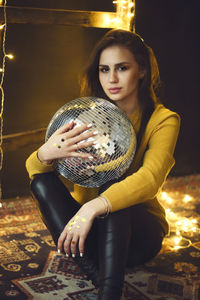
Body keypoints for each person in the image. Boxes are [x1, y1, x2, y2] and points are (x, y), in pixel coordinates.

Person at [25, 29, 180, 300]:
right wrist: (45, 153)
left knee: (114, 184)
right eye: (104, 69)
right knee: (41, 182)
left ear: (141, 71)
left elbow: (151, 178)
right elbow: (34, 172)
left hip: (139, 236)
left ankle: (109, 293)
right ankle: (98, 274)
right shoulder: (89, 115)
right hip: (92, 234)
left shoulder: (163, 120)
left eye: (122, 68)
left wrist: (94, 206)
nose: (112, 79)